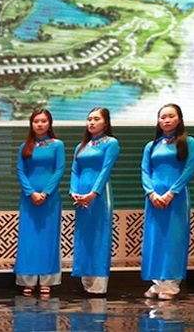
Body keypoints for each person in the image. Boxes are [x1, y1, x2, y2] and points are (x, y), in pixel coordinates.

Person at [140, 103, 194, 300]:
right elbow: (145, 171)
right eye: (163, 117)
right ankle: (157, 283)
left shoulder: (188, 142)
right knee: (155, 239)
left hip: (176, 198)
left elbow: (189, 168)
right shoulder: (151, 146)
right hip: (154, 199)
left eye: (171, 116)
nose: (167, 120)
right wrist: (151, 193)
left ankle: (171, 285)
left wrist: (172, 193)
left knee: (174, 239)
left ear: (179, 119)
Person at [13, 109, 65, 296]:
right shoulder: (24, 146)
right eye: (36, 121)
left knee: (48, 239)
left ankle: (47, 280)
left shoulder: (57, 145)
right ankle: (27, 281)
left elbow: (59, 170)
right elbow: (20, 171)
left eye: (43, 121)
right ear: (31, 124)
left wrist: (46, 193)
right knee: (29, 239)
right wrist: (31, 193)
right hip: (29, 199)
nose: (40, 124)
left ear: (49, 124)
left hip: (50, 199)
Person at [70, 106, 119, 295]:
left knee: (99, 235)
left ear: (105, 123)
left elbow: (106, 169)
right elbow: (75, 171)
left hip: (99, 195)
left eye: (96, 119)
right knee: (84, 236)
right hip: (81, 196)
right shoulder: (81, 146)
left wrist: (93, 193)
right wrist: (74, 192)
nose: (91, 122)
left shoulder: (111, 143)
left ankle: (99, 285)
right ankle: (86, 282)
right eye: (89, 119)